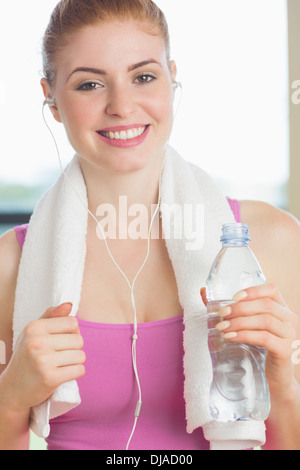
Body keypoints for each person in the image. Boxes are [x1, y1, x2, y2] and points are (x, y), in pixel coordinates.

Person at [0, 0, 299, 451]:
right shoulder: (11, 267)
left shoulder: (270, 243)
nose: (122, 106)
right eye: (89, 84)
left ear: (171, 77)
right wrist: (9, 398)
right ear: (52, 99)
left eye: (143, 76)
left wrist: (282, 384)